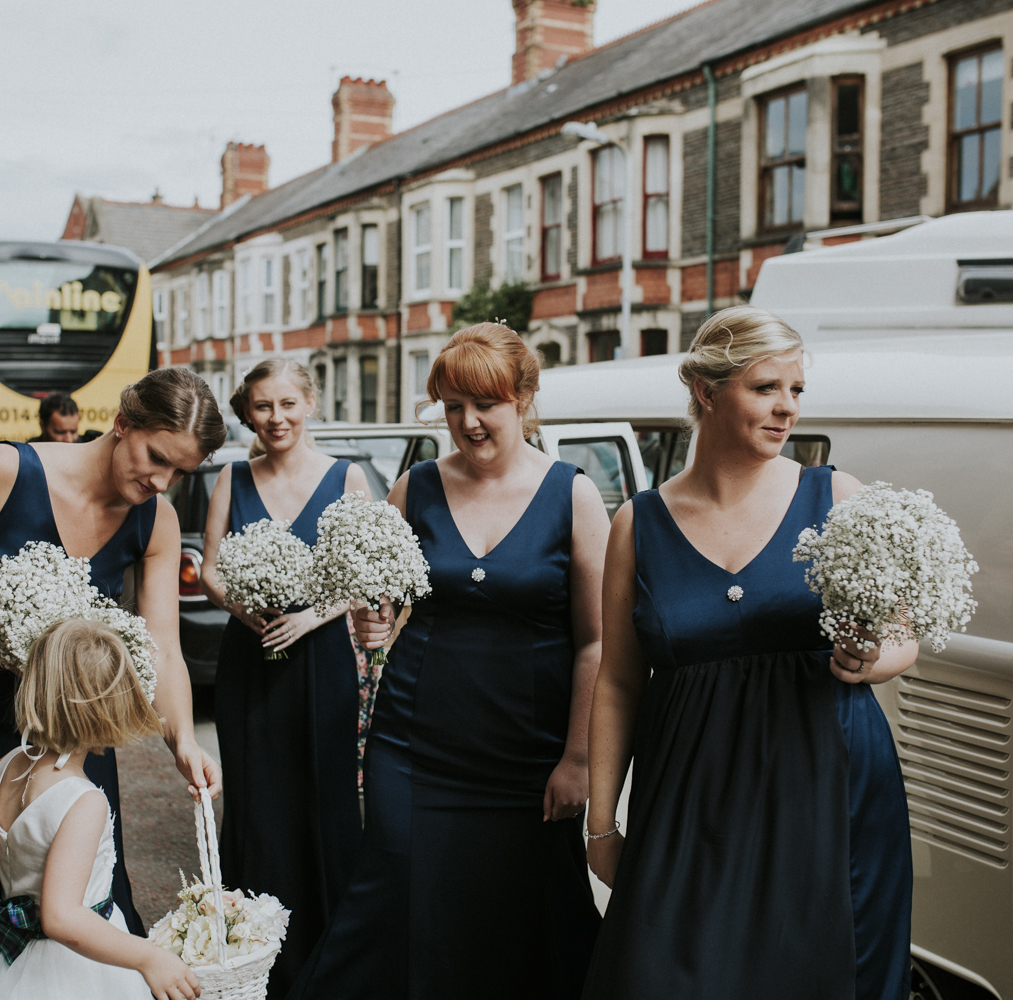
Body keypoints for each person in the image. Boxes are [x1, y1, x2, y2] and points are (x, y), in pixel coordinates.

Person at [582, 306, 915, 999]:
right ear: (707, 391)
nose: (787, 408)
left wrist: (873, 660)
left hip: (829, 789)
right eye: (766, 388)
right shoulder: (636, 524)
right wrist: (601, 822)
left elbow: (902, 634)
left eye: (796, 391)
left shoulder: (837, 498)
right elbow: (617, 682)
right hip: (687, 802)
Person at [0, 366, 226, 999]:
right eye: (155, 458)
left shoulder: (156, 520)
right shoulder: (7, 471)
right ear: (122, 423)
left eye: (178, 473)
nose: (159, 482)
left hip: (75, 743)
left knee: (90, 900)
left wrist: (182, 739)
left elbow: (164, 650)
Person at [291, 324, 607, 1000]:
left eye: (484, 404)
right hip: (415, 744)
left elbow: (597, 641)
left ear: (522, 398)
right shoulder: (415, 487)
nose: (466, 422)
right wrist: (372, 621)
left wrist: (579, 759)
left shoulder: (573, 496)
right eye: (452, 404)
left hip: (530, 756)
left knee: (522, 917)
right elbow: (388, 602)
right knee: (394, 896)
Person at [198, 359, 368, 1000]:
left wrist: (313, 619)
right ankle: (256, 958)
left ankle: (335, 954)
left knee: (324, 800)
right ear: (250, 413)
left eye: (288, 404)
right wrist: (245, 609)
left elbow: (366, 567)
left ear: (310, 403)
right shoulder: (232, 477)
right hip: (252, 660)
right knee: (259, 803)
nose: (277, 419)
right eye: (264, 407)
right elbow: (210, 567)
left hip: (321, 664)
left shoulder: (347, 477)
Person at [0, 618, 200, 1000]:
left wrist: (32, 869)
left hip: (14, 960)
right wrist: (150, 958)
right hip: (74, 969)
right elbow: (61, 917)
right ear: (110, 708)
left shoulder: (9, 764)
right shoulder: (84, 801)